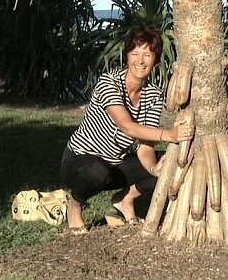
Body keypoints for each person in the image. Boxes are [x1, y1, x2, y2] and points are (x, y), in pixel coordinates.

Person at [60, 26, 195, 234]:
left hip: (115, 164)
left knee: (171, 163)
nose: (140, 61)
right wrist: (168, 134)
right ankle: (75, 204)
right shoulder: (109, 82)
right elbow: (127, 126)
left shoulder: (152, 95)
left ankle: (125, 199)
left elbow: (144, 148)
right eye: (135, 54)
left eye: (147, 54)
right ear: (127, 56)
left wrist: (154, 170)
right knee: (97, 171)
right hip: (80, 161)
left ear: (155, 60)